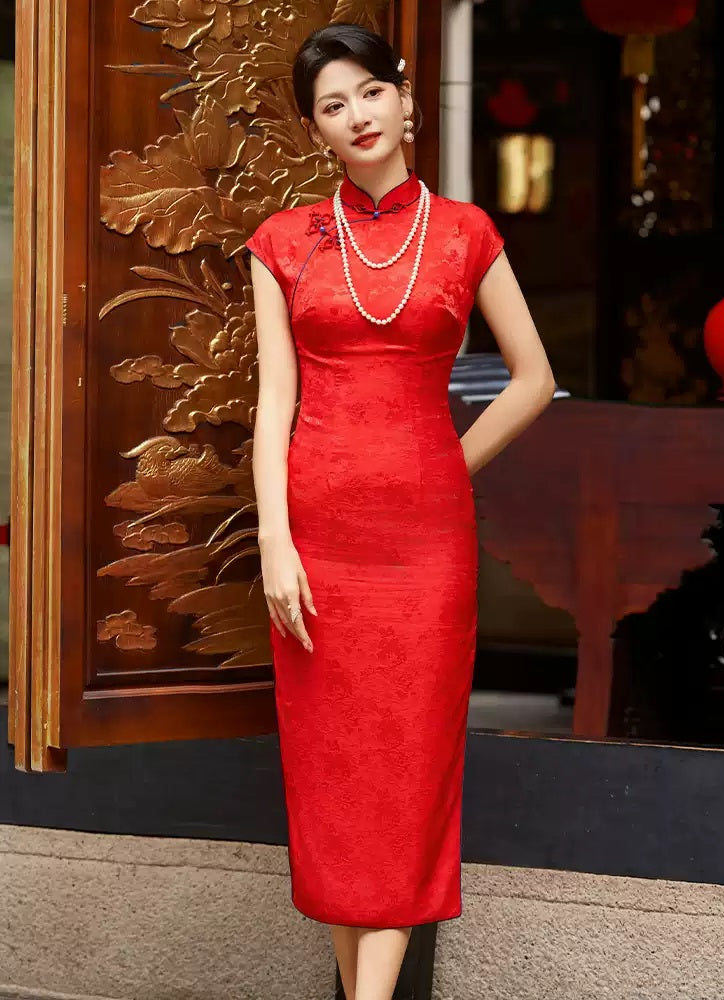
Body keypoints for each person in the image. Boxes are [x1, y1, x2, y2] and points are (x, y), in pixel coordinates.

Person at [246, 22, 555, 1000]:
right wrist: (274, 541)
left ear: (405, 98)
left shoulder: (466, 232)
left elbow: (535, 378)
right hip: (318, 546)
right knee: (339, 788)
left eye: (370, 92)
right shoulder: (282, 242)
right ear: (316, 131)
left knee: (404, 780)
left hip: (424, 552)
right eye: (333, 106)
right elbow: (273, 404)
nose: (358, 115)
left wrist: (444, 466)